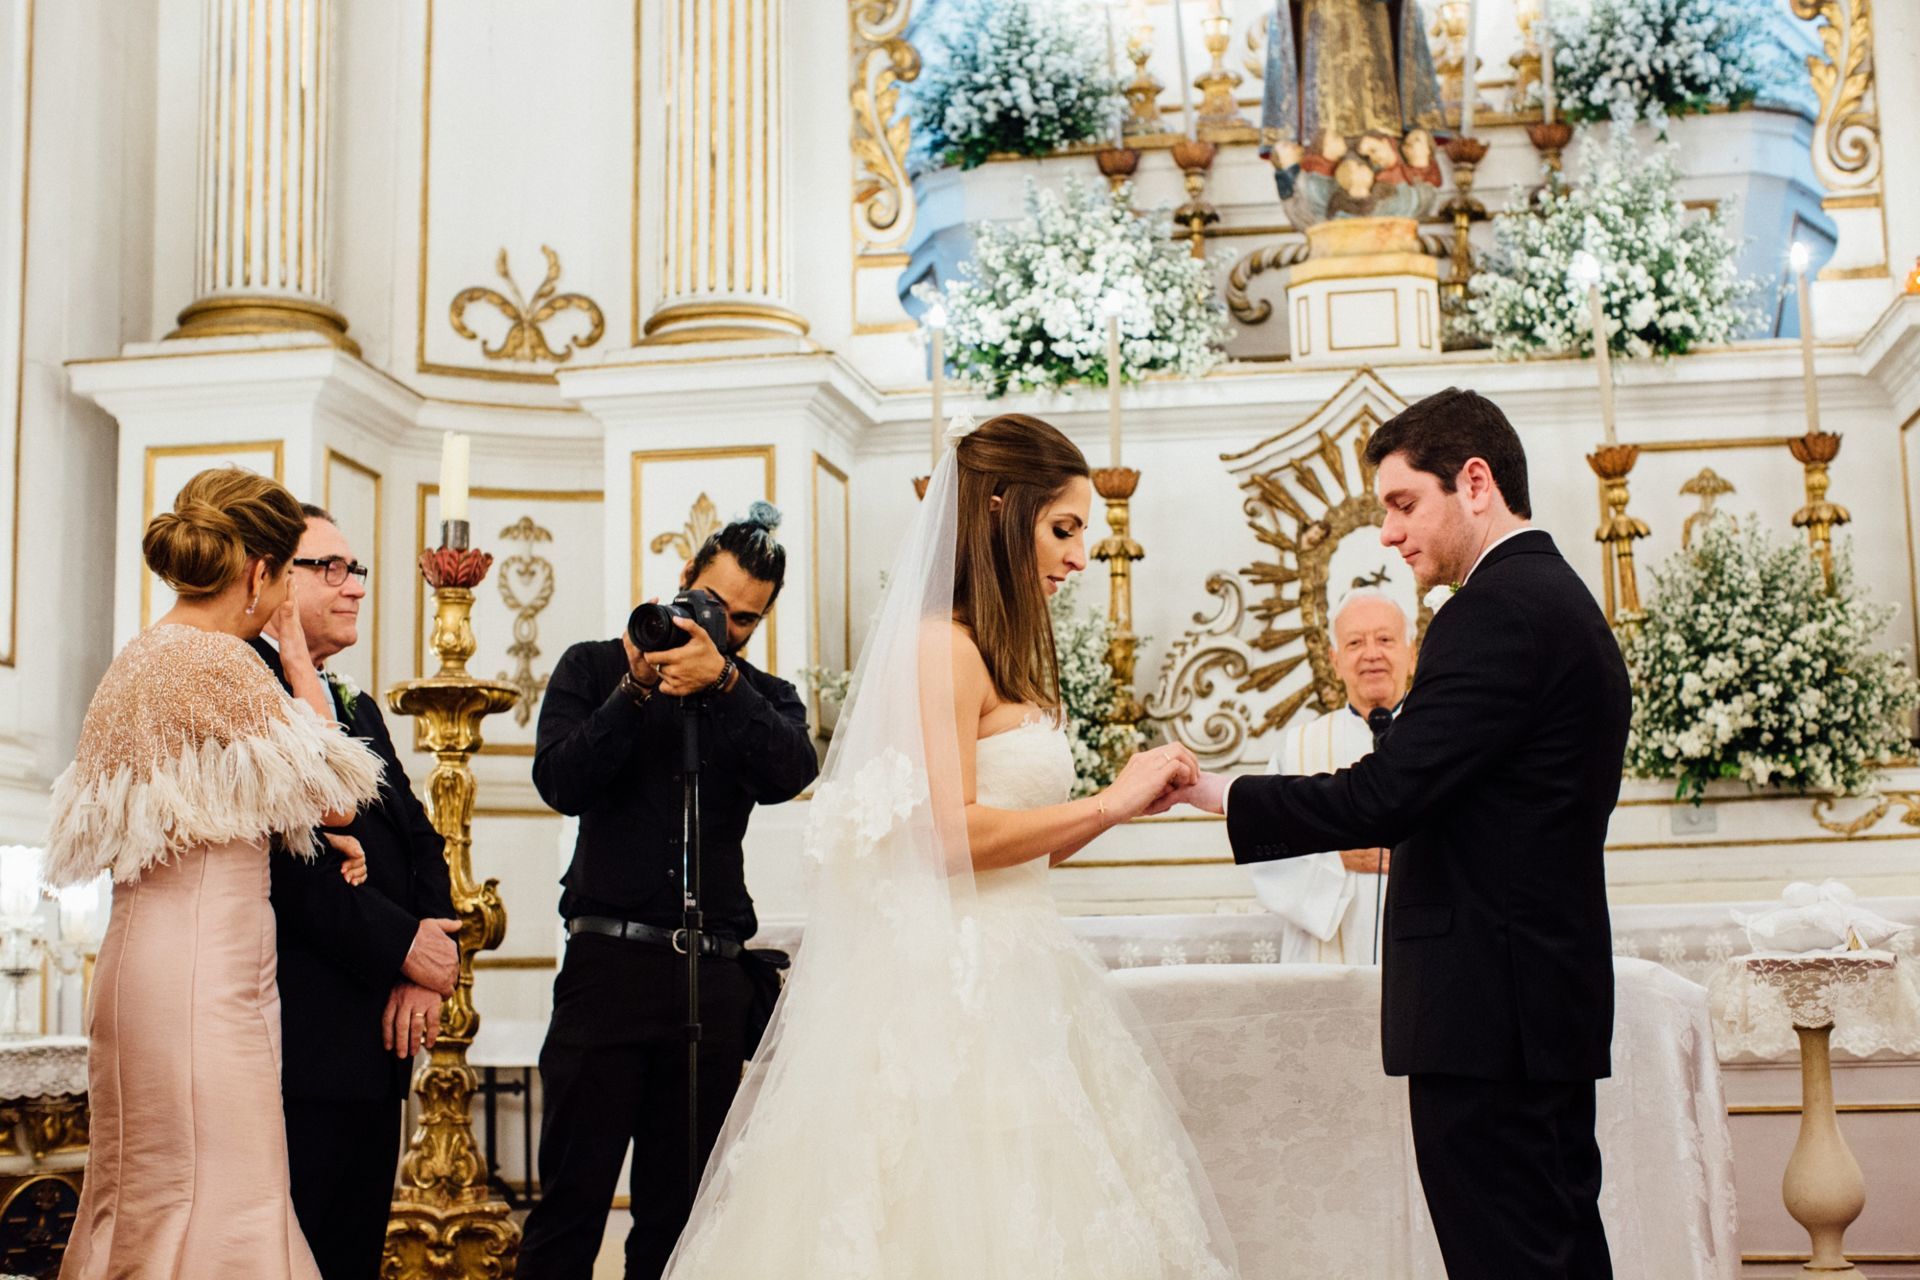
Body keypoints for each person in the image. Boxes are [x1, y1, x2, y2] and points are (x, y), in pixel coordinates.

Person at [661, 414, 1237, 1279]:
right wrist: (1106, 800)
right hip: (957, 989)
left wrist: (1113, 813)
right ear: (1002, 509)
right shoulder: (943, 646)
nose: (1080, 557)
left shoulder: (1007, 653)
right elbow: (947, 836)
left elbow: (1019, 850)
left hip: (1026, 973)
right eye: (1064, 528)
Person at [1169, 387, 1629, 1278]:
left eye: (1404, 503)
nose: (1386, 533)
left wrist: (1214, 792)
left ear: (1476, 482)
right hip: (1533, 1000)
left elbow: (1387, 794)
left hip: (1490, 1012)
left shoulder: (1494, 610)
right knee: (1556, 1251)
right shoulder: (1557, 596)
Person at [48, 468, 384, 1280]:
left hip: (139, 963)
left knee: (143, 1191)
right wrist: (297, 660)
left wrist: (297, 833)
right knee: (227, 1197)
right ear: (260, 571)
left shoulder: (140, 657)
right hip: (205, 974)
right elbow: (341, 794)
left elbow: (188, 811)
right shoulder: (220, 661)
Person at [518, 503, 820, 1279]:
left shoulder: (762, 694)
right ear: (684, 581)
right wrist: (636, 688)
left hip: (710, 980)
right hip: (607, 970)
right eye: (713, 605)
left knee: (681, 1222)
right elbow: (560, 782)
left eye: (745, 620)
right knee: (570, 1207)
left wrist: (724, 684)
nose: (725, 626)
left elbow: (792, 772)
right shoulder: (593, 667)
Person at [249, 505, 462, 1280]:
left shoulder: (357, 705)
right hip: (303, 1038)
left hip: (378, 1040)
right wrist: (403, 945)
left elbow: (420, 837)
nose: (356, 588)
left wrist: (425, 962)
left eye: (356, 569)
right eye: (330, 569)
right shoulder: (248, 689)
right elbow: (288, 868)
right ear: (275, 578)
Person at [1245, 589, 1412, 963]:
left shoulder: (1442, 737)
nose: (1371, 654)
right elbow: (1267, 853)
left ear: (1412, 653)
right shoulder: (1298, 747)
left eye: (1385, 639)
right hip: (1325, 954)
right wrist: (1339, 858)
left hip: (1425, 946)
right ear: (1335, 660)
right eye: (1355, 642)